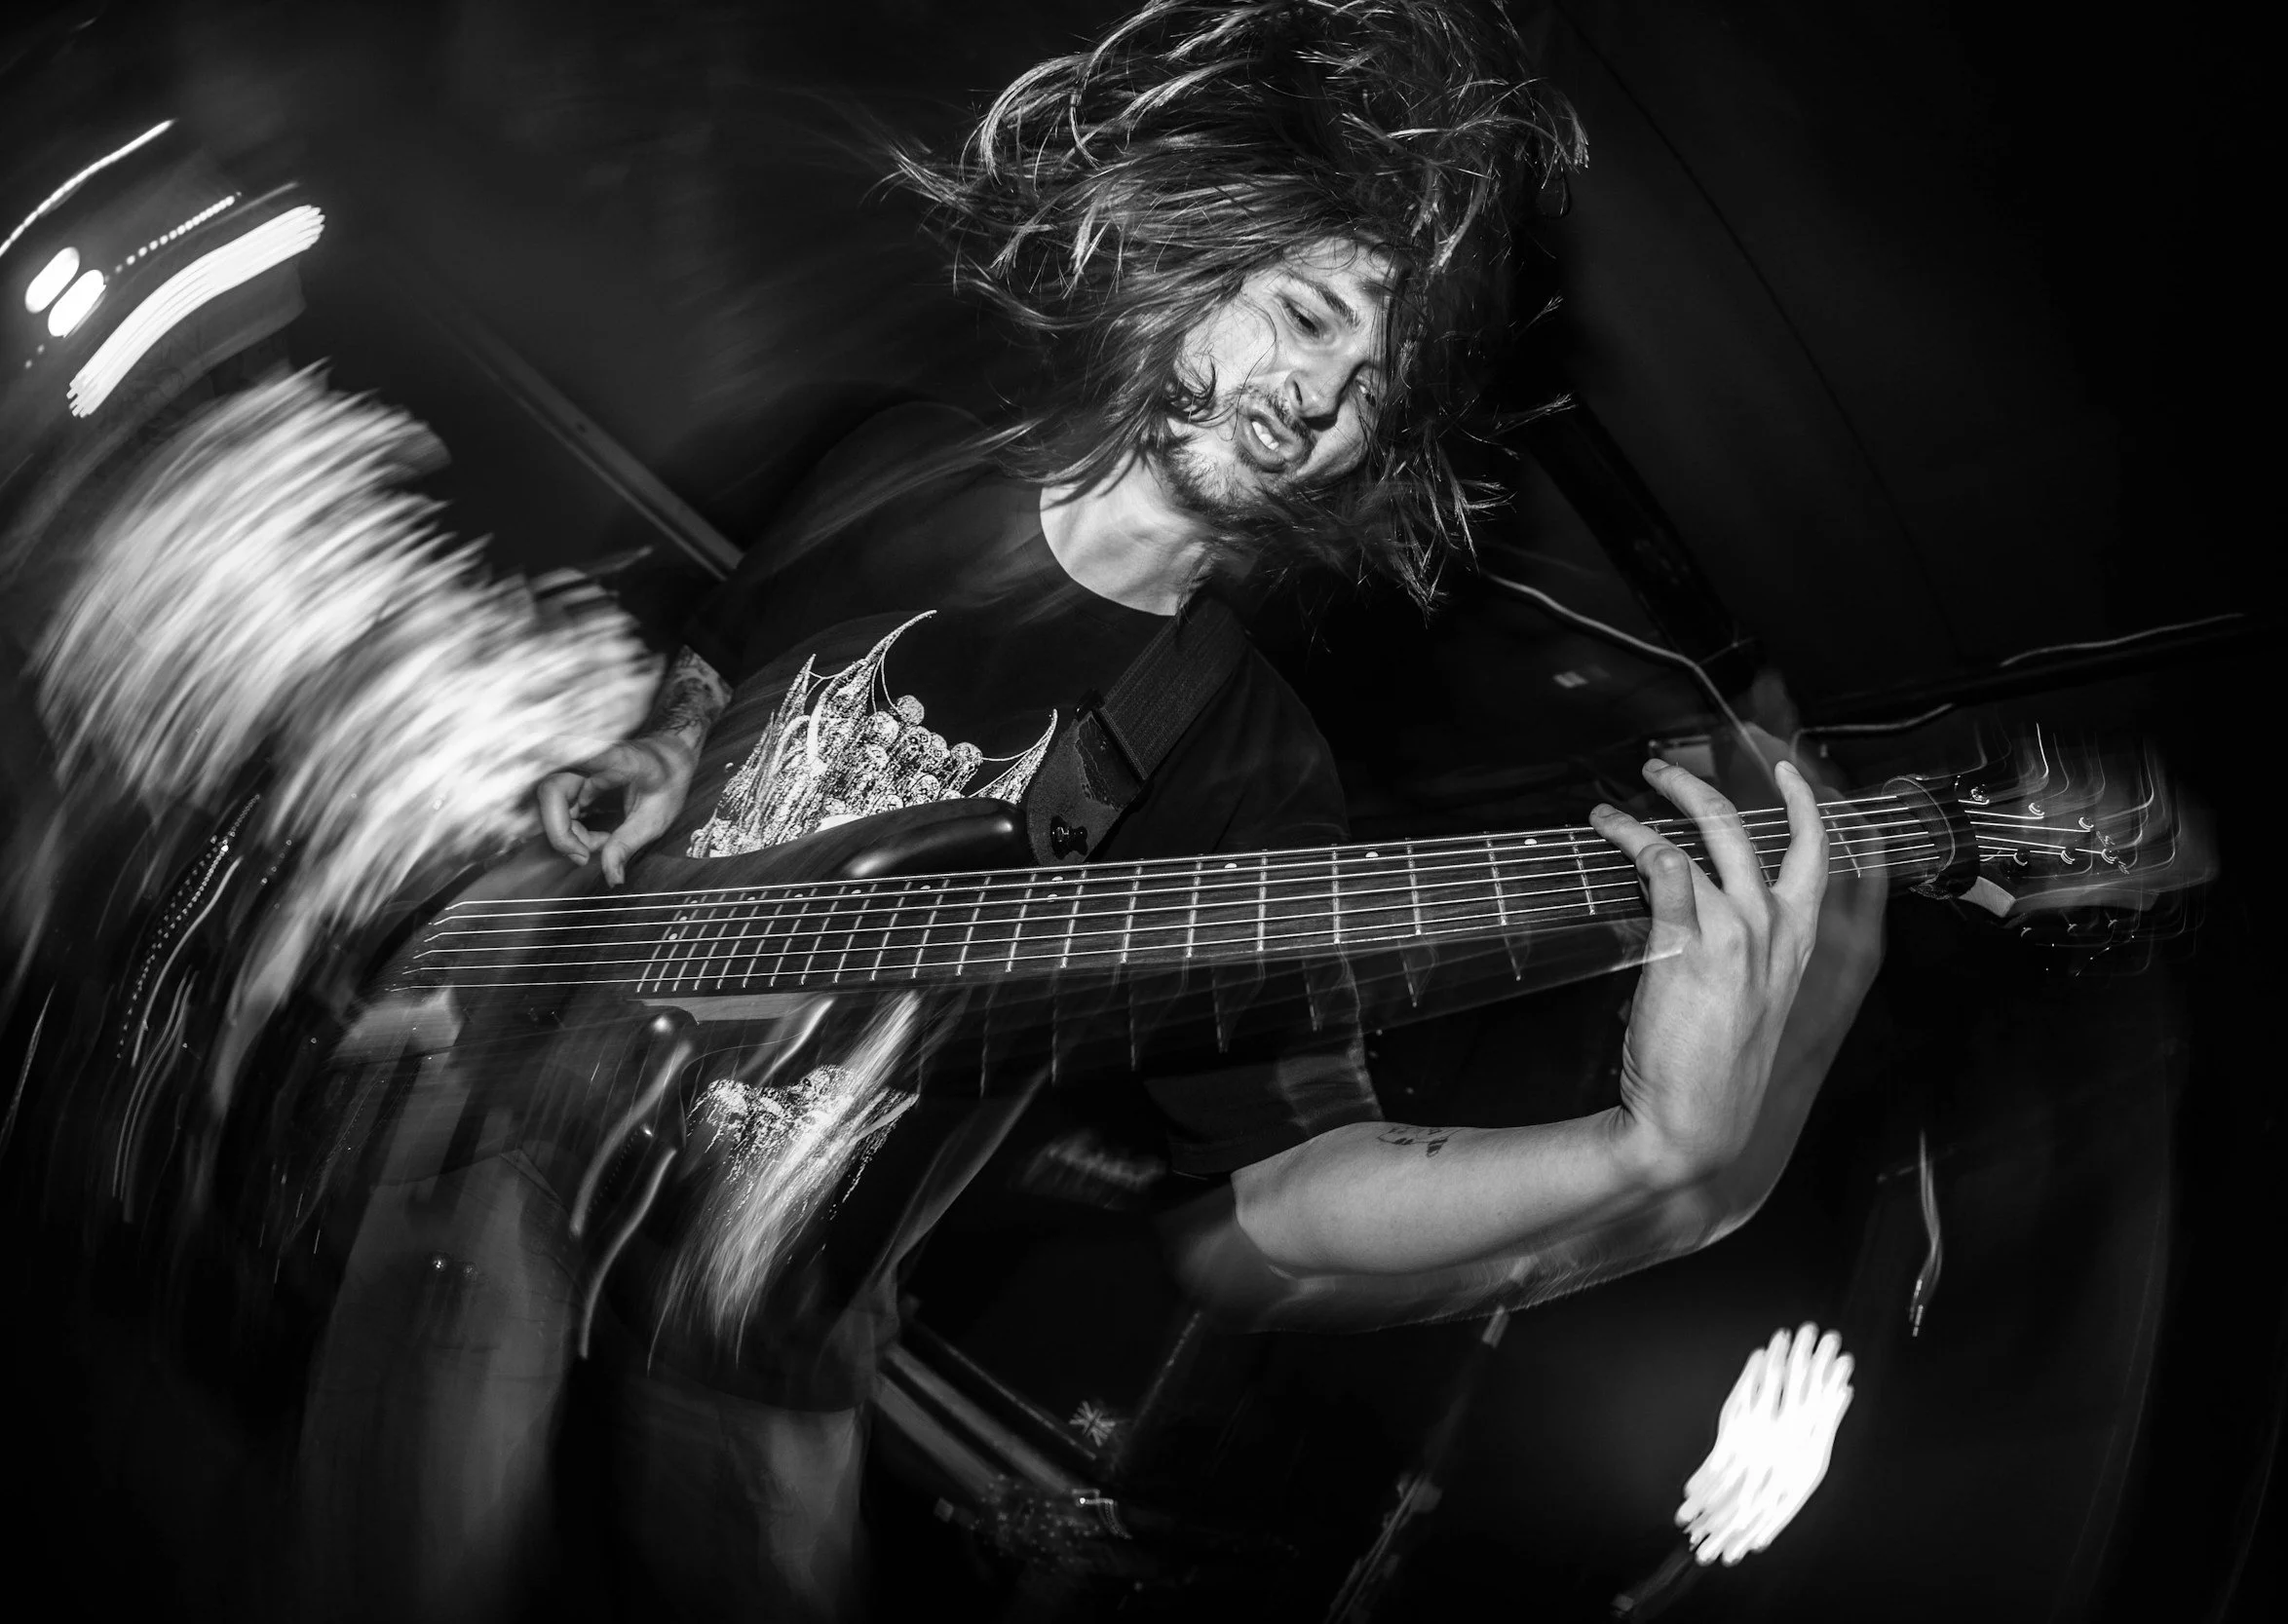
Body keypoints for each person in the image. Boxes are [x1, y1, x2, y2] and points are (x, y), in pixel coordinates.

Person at [305, 4, 1884, 1620]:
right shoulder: (904, 463)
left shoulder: (1250, 766)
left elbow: (1269, 1197)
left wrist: (1642, 1145)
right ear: (1201, 266)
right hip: (526, 1129)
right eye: (1309, 311)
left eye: (1368, 383)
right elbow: (724, 659)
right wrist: (654, 754)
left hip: (770, 1316)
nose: (1319, 392)